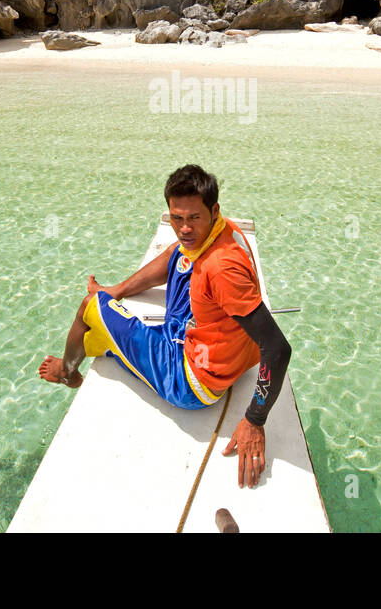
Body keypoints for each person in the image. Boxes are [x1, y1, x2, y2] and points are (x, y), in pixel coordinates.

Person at [37, 164, 291, 488]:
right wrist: (117, 290)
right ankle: (114, 325)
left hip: (191, 380)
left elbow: (278, 349)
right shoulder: (224, 232)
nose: (184, 228)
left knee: (90, 307)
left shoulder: (222, 268)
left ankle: (67, 371)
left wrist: (255, 420)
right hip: (226, 353)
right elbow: (179, 250)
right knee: (181, 254)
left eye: (193, 218)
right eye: (177, 218)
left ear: (213, 210)